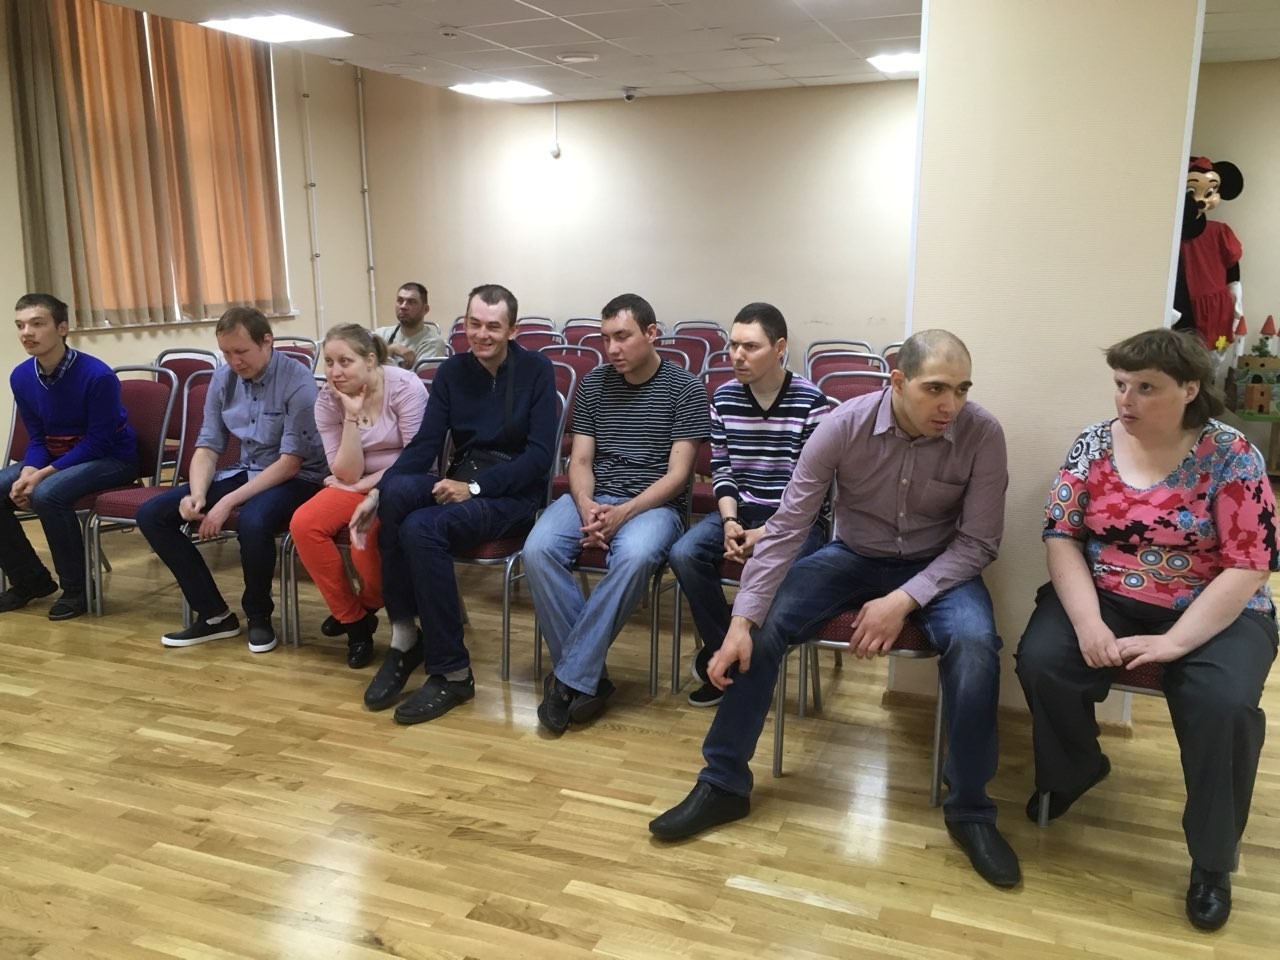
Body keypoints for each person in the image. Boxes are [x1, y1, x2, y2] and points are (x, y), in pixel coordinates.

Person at [649, 330, 1019, 889]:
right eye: (936, 389)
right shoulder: (842, 425)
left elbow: (978, 544)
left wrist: (901, 600)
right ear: (898, 381)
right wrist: (740, 622)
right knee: (760, 630)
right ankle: (723, 783)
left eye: (962, 389)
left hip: (939, 567)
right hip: (853, 556)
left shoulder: (982, 433)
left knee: (975, 647)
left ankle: (970, 810)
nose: (952, 404)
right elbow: (787, 528)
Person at [1015, 327, 1277, 932]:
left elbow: (1251, 563)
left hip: (1216, 605)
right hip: (1108, 592)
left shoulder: (1232, 454)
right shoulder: (1092, 444)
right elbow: (1061, 535)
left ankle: (1212, 859)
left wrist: (1176, 642)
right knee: (1044, 660)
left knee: (1222, 704)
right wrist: (1087, 622)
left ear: (1190, 389)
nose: (1125, 400)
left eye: (1145, 388)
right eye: (1120, 384)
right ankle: (1076, 769)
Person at [352, 283, 556, 724]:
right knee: (396, 495)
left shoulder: (537, 370)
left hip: (513, 493)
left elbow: (540, 459)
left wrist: (476, 488)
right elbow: (425, 444)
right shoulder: (451, 372)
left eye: (493, 327)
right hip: (461, 479)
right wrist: (378, 492)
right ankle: (405, 636)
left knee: (420, 528)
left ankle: (453, 673)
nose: (481, 334)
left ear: (513, 329)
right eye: (473, 324)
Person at [523, 293, 710, 734]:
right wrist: (587, 506)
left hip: (653, 505)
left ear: (651, 333)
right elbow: (580, 462)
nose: (612, 348)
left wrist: (622, 513)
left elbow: (678, 476)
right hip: (592, 496)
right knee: (537, 550)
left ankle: (567, 679)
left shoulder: (685, 389)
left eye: (622, 337)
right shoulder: (593, 384)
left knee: (635, 556)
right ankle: (587, 677)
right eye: (606, 338)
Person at [137, 308, 327, 653]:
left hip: (299, 477)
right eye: (226, 353)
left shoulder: (297, 381)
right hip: (248, 470)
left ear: (266, 342)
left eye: (241, 352)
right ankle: (214, 614)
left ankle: (258, 615)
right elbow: (208, 446)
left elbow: (289, 464)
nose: (234, 361)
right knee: (153, 514)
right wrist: (198, 494)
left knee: (253, 521)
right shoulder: (223, 378)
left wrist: (226, 501)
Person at [668, 303, 829, 707]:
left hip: (797, 522)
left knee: (772, 566)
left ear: (780, 348)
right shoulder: (724, 398)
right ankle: (727, 654)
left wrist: (766, 534)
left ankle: (734, 665)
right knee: (685, 553)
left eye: (750, 347)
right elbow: (722, 469)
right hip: (741, 512)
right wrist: (729, 522)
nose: (737, 356)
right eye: (733, 345)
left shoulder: (812, 403)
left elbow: (813, 491)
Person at [288, 324, 427, 668]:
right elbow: (346, 473)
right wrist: (351, 415)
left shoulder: (405, 387)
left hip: (403, 483)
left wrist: (361, 487)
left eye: (345, 361)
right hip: (355, 482)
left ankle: (367, 604)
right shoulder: (327, 400)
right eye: (329, 362)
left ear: (370, 360)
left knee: (364, 539)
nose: (335, 372)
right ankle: (354, 623)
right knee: (304, 523)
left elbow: (416, 460)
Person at [0, 293, 138, 620]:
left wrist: (41, 475)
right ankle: (30, 580)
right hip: (56, 456)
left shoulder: (97, 375)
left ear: (62, 328)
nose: (26, 333)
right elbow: (37, 438)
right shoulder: (21, 376)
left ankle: (78, 589)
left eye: (37, 324)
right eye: (20, 325)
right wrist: (29, 470)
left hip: (111, 458)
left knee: (47, 494)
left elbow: (98, 443)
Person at [374, 282, 444, 369]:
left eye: (411, 302)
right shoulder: (381, 334)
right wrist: (391, 349)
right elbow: (365, 368)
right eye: (400, 301)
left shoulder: (433, 343)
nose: (403, 306)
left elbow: (418, 377)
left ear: (425, 309)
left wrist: (384, 356)